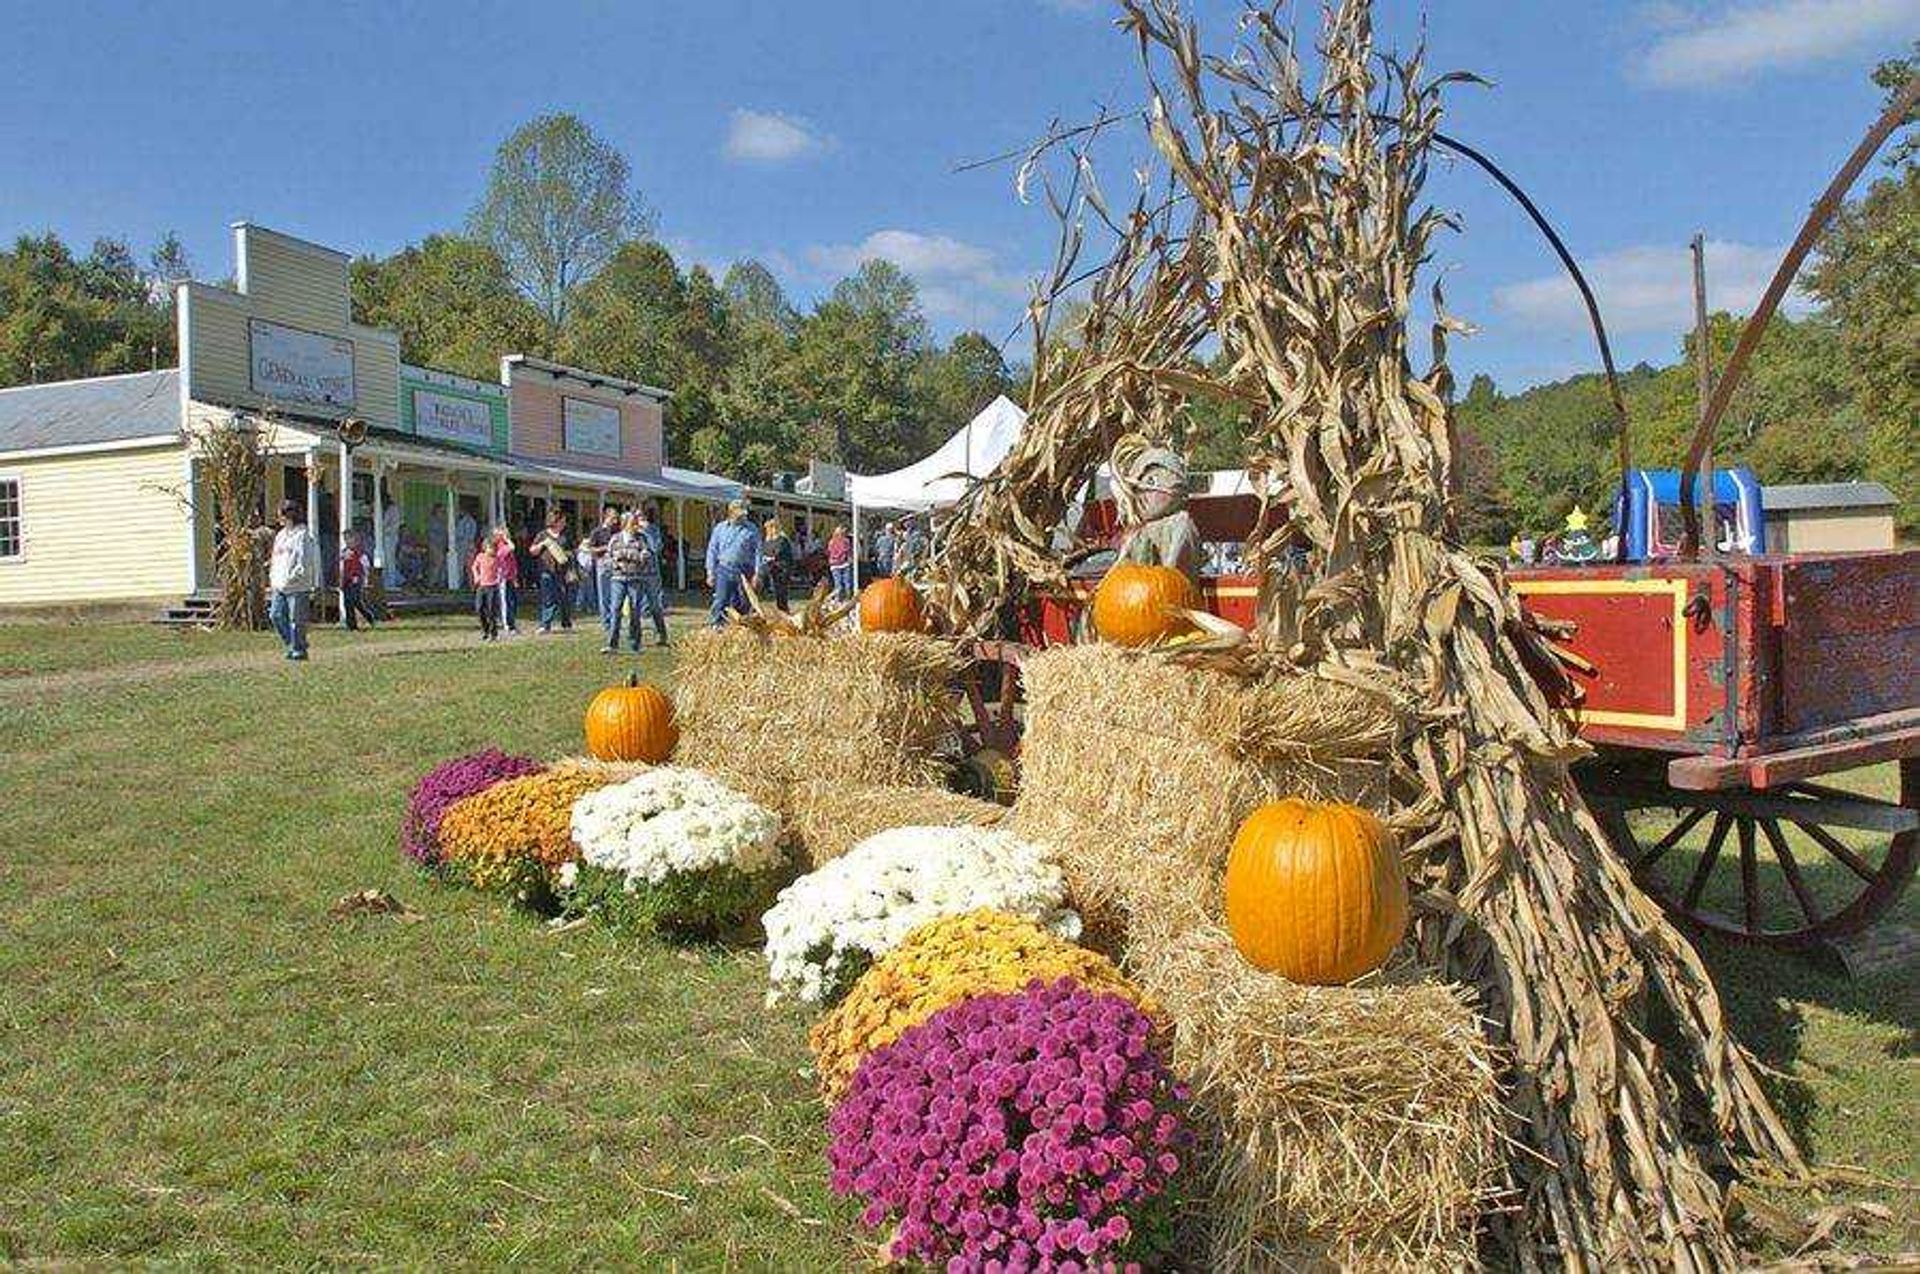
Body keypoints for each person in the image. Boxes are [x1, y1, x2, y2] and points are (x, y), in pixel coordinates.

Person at [604, 510, 670, 651]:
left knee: (635, 610)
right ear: (625, 524)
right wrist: (617, 562)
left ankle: (635, 642)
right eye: (633, 523)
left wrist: (624, 555)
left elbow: (645, 556)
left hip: (636, 578)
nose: (636, 526)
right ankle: (612, 643)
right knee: (615, 609)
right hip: (618, 578)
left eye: (636, 523)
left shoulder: (642, 538)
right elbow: (608, 558)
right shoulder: (615, 539)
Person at [268, 498, 320, 661]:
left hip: (297, 586)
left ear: (289, 515)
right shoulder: (280, 536)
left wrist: (293, 577)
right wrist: (273, 577)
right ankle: (294, 644)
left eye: (281, 515)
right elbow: (275, 558)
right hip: (279, 584)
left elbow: (304, 561)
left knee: (296, 620)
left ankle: (298, 650)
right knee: (275, 615)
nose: (279, 519)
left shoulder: (302, 535)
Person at [704, 499, 762, 625]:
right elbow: (712, 551)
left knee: (743, 602)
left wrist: (757, 573)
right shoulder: (719, 529)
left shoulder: (752, 529)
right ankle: (716, 626)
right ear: (731, 513)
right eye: (740, 514)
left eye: (744, 515)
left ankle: (740, 627)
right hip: (724, 569)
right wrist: (710, 572)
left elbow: (758, 552)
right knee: (721, 600)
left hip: (744, 571)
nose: (743, 517)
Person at [530, 510, 575, 633]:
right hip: (547, 571)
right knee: (548, 597)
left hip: (563, 570)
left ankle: (566, 624)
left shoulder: (566, 535)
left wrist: (566, 555)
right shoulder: (542, 535)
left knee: (564, 597)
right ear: (556, 521)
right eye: (562, 521)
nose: (564, 523)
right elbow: (532, 550)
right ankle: (545, 624)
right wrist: (543, 544)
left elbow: (572, 551)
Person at [586, 505, 621, 631]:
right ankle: (606, 621)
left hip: (616, 563)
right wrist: (606, 548)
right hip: (602, 563)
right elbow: (590, 549)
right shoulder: (597, 531)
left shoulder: (617, 531)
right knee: (604, 594)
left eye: (616, 518)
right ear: (606, 517)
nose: (615, 521)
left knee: (616, 593)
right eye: (613, 518)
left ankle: (615, 620)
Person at [338, 531, 378, 631]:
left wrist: (366, 580)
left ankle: (369, 617)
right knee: (347, 603)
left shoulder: (360, 553)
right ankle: (351, 626)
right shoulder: (344, 552)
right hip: (346, 580)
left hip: (356, 579)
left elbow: (366, 567)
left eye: (349, 539)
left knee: (355, 600)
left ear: (355, 540)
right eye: (346, 539)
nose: (348, 541)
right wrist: (341, 580)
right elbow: (342, 567)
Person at [757, 518, 795, 610]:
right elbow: (763, 551)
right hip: (771, 568)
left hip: (782, 568)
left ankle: (783, 609)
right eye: (767, 529)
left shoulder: (782, 540)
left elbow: (779, 552)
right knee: (770, 589)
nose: (768, 530)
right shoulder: (767, 541)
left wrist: (771, 557)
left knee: (781, 591)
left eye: (770, 528)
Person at [470, 534, 502, 641]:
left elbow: (500, 570)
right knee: (479, 608)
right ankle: (485, 629)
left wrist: (499, 579)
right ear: (484, 547)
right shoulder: (480, 556)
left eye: (493, 548)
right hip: (482, 586)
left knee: (491, 611)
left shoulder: (496, 559)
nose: (491, 550)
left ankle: (493, 633)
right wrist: (476, 576)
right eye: (489, 548)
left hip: (492, 586)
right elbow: (474, 567)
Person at [491, 527, 520, 634]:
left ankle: (511, 622)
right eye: (502, 534)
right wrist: (506, 539)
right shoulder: (500, 548)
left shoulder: (505, 546)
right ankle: (507, 624)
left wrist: (515, 577)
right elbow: (512, 547)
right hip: (502, 578)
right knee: (505, 602)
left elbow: (513, 564)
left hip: (510, 577)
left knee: (512, 601)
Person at [826, 522, 853, 600]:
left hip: (835, 564)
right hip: (843, 563)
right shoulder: (846, 541)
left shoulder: (831, 542)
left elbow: (829, 552)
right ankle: (847, 598)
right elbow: (848, 551)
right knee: (846, 582)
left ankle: (839, 598)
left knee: (838, 583)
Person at [454, 505, 478, 583]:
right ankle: (461, 581)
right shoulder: (461, 521)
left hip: (465, 544)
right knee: (462, 565)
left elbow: (468, 535)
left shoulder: (469, 521)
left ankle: (467, 583)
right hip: (462, 544)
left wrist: (469, 544)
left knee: (466, 565)